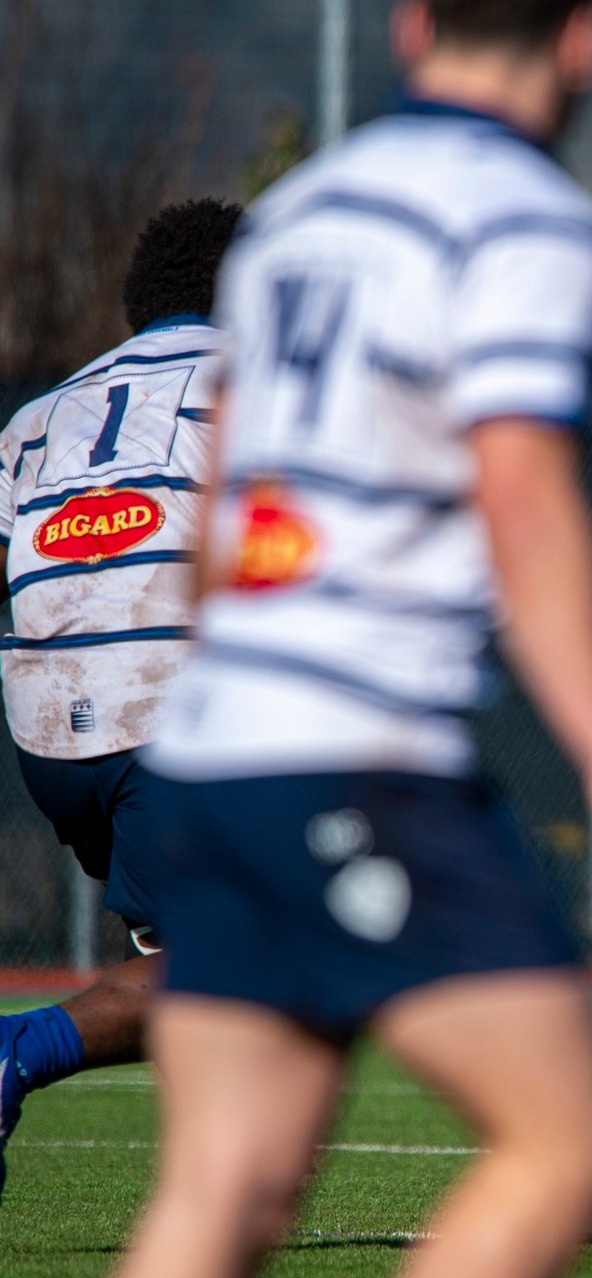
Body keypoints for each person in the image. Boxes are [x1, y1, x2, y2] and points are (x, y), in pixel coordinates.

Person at [91, 3, 592, 1278]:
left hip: (210, 749)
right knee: (571, 1143)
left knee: (222, 1187)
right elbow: (524, 495)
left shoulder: (298, 215)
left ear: (413, 27)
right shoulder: (525, 219)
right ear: (587, 39)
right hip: (357, 750)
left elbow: (227, 496)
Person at [0, 198, 241, 1203]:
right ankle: (18, 1049)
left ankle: (220, 1145)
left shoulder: (35, 418)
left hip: (44, 728)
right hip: (166, 709)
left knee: (181, 949)